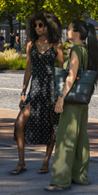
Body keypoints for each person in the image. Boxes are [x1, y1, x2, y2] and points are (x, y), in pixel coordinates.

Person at [47, 21, 97, 191]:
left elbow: (71, 75)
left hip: (72, 101)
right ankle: (80, 176)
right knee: (81, 138)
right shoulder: (87, 51)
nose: (66, 32)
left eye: (68, 29)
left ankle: (60, 181)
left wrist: (61, 97)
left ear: (76, 33)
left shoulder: (76, 50)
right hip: (82, 101)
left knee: (66, 139)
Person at [11, 14, 63, 175]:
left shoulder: (57, 46)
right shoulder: (30, 45)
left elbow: (60, 71)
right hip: (34, 89)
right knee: (19, 123)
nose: (38, 28)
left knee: (52, 127)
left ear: (49, 26)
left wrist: (61, 95)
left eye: (41, 25)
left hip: (50, 89)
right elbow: (28, 70)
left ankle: (46, 161)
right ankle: (21, 162)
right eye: (35, 25)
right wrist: (22, 92)